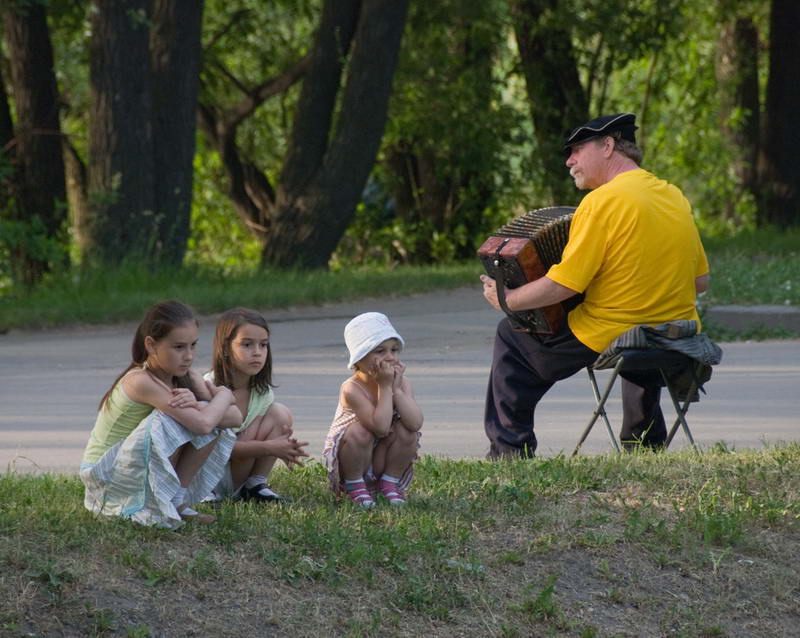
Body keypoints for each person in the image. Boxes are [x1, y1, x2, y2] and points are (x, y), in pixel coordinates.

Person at [480, 112, 710, 458]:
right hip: (675, 333)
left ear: (607, 145)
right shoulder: (672, 195)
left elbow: (564, 285)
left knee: (511, 337)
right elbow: (700, 282)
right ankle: (644, 444)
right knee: (635, 332)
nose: (569, 160)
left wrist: (508, 299)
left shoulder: (601, 203)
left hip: (616, 334)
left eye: (576, 150)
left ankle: (509, 451)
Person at [80, 301, 241, 528]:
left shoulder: (186, 375)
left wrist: (203, 402)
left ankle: (177, 500)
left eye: (193, 345)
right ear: (151, 345)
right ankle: (159, 504)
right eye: (178, 347)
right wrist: (223, 396)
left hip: (131, 467)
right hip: (104, 476)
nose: (189, 356)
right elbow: (204, 424)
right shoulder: (139, 381)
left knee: (200, 413)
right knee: (169, 419)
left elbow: (235, 418)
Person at [205, 308, 309, 503]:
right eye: (247, 344)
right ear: (225, 348)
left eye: (263, 345)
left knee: (280, 413)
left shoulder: (262, 393)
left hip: (237, 474)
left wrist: (281, 447)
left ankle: (255, 485)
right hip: (205, 479)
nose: (257, 353)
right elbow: (220, 449)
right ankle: (209, 495)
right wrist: (269, 447)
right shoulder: (209, 388)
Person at [323, 312, 423, 508]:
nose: (390, 357)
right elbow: (380, 428)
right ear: (359, 359)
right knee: (360, 431)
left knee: (408, 433)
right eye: (379, 351)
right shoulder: (351, 388)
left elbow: (415, 422)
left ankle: (389, 482)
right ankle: (354, 485)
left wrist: (396, 390)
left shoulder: (401, 383)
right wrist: (385, 388)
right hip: (353, 459)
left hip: (381, 456)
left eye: (394, 350)